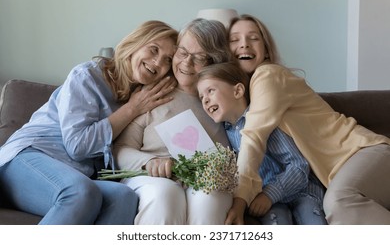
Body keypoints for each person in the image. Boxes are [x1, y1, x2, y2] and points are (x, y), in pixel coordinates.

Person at [0, 20, 178, 225]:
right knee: (79, 192)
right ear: (135, 44)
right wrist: (132, 109)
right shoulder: (87, 75)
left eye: (167, 60)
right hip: (26, 157)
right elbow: (78, 146)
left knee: (123, 197)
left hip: (77, 175)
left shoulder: (143, 97)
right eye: (153, 50)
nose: (157, 63)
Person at [224, 14, 390, 225]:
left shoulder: (268, 75)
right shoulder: (244, 98)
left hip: (364, 152)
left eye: (253, 38)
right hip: (345, 170)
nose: (244, 44)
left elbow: (253, 137)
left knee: (339, 202)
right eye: (234, 39)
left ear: (266, 49)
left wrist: (239, 200)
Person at [113, 18, 233, 225]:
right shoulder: (152, 93)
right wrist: (149, 163)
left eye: (200, 58)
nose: (186, 63)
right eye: (183, 53)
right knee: (165, 194)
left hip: (202, 179)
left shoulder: (218, 100)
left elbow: (230, 159)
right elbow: (120, 150)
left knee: (210, 197)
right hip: (149, 177)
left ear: (213, 62)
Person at [197, 61, 327, 224]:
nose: (205, 100)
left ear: (237, 91)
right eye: (201, 97)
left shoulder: (262, 120)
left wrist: (270, 194)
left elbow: (299, 166)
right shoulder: (225, 132)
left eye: (210, 91)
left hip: (301, 192)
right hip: (263, 199)